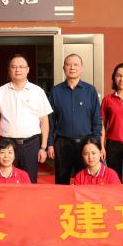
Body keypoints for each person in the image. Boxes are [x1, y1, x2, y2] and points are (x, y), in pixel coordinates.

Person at [0, 55, 53, 183]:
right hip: (7, 143)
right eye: (14, 67)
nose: (18, 70)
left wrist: (43, 147)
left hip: (31, 144)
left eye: (21, 67)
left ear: (27, 69)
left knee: (29, 181)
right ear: (9, 70)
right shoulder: (0, 91)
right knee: (6, 180)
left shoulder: (37, 91)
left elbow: (44, 121)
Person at [48, 54, 102, 185]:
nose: (72, 68)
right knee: (61, 180)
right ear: (64, 68)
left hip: (86, 143)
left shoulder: (90, 91)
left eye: (76, 64)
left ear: (81, 68)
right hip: (62, 143)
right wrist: (50, 144)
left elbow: (96, 120)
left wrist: (96, 144)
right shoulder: (55, 91)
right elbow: (50, 121)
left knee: (85, 180)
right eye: (68, 65)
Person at [71, 137, 120, 246]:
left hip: (107, 213)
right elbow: (75, 199)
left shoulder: (111, 174)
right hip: (87, 212)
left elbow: (117, 199)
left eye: (94, 153)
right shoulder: (79, 176)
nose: (90, 157)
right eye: (86, 154)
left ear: (100, 153)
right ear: (82, 156)